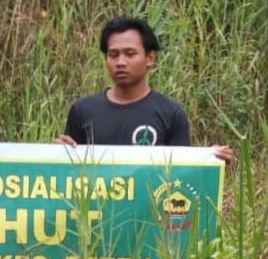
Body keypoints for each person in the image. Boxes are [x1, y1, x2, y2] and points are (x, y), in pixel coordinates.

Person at [55, 15, 233, 162]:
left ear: (150, 58)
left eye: (130, 54)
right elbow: (69, 176)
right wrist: (58, 154)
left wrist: (210, 160)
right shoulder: (83, 110)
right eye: (113, 55)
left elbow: (181, 172)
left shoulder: (170, 113)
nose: (120, 62)